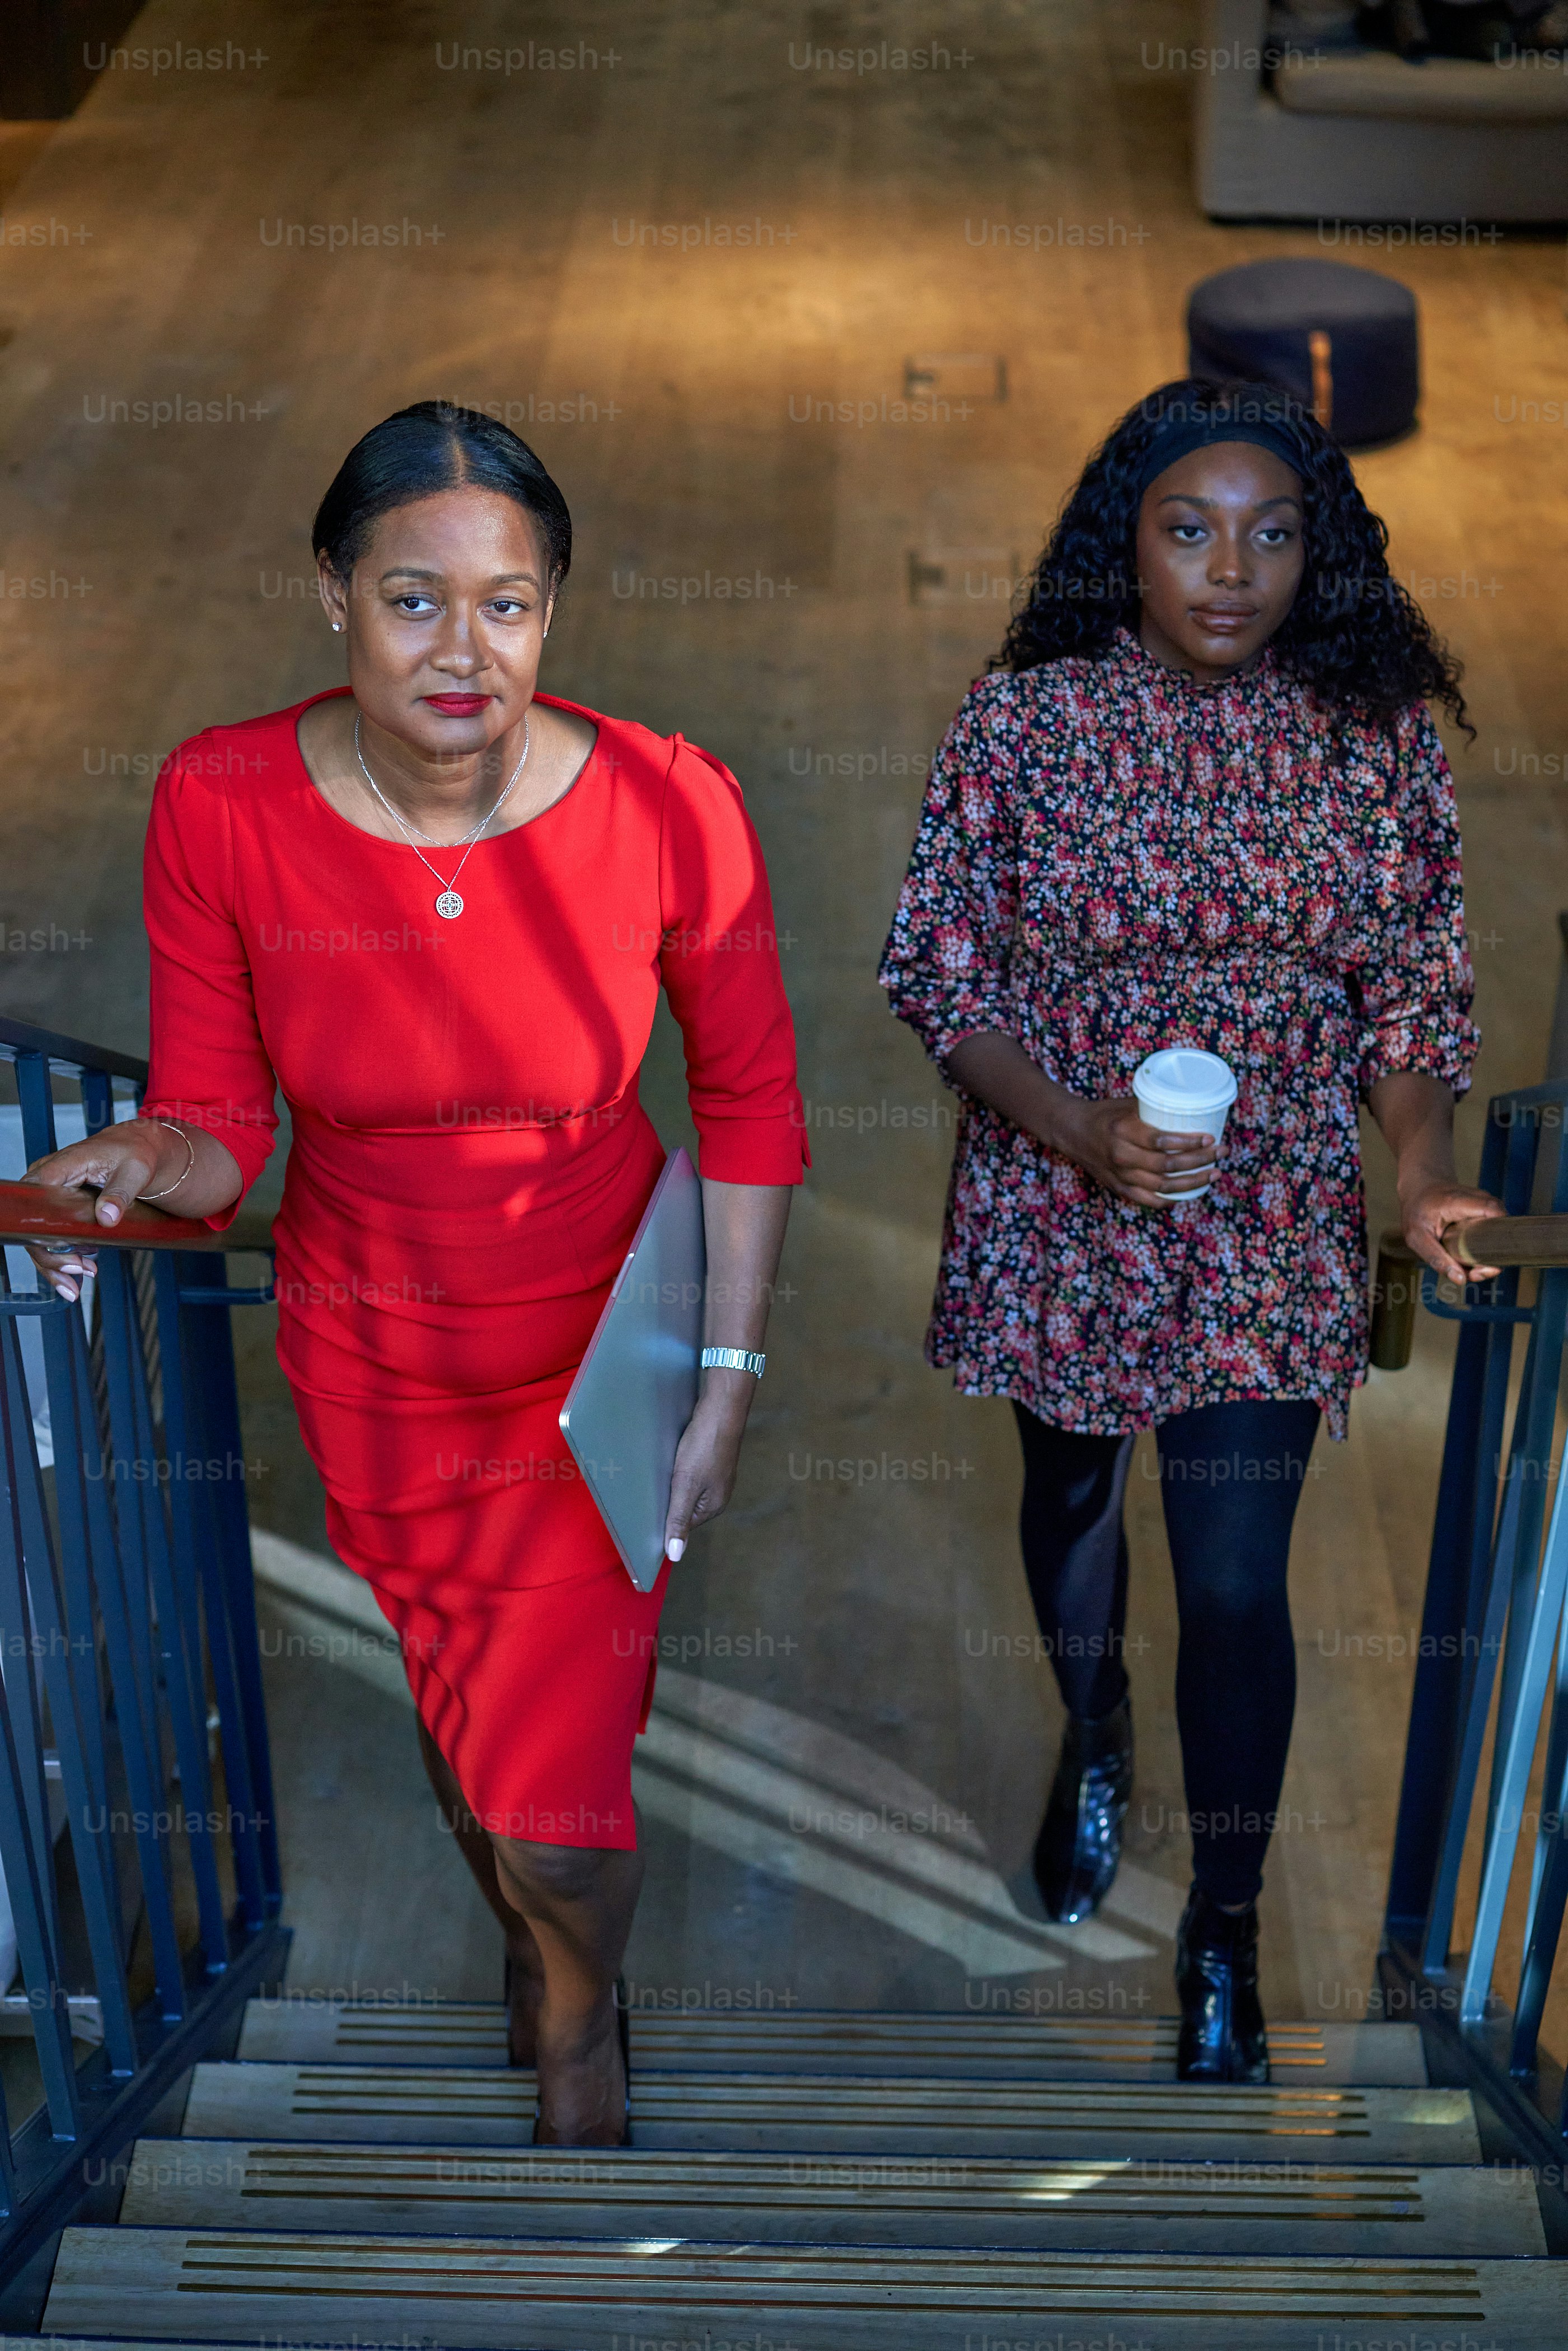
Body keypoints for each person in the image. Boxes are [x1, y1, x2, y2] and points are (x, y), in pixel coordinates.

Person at [25, 402, 804, 2144]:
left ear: (556, 610)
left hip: (601, 1355)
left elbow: (750, 1106)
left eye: (510, 604)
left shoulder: (673, 805)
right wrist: (145, 1163)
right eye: (414, 599)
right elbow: (220, 1109)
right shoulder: (221, 801)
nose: (467, 650)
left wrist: (727, 1384)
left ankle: (580, 2005)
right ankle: (535, 1947)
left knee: (552, 1795)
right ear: (331, 593)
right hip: (368, 1354)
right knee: (468, 1722)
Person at [879, 377, 1499, 2080]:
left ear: (1322, 555)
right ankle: (1093, 1731)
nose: (1229, 570)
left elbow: (1410, 998)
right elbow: (936, 969)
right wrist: (1076, 1125)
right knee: (1070, 1489)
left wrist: (1421, 1165)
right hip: (1053, 1182)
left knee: (1233, 1585)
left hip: (1270, 1201)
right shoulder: (1023, 724)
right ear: (1123, 543)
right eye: (1185, 529)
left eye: (1271, 533)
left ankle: (1218, 1932)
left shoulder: (1373, 746)